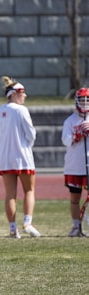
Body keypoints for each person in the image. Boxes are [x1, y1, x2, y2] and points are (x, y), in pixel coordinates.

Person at [0, 76, 40, 238]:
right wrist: (25, 145)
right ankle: (27, 222)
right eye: (22, 92)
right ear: (14, 93)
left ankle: (13, 228)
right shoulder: (21, 110)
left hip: (5, 158)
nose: (25, 96)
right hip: (23, 156)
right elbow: (31, 134)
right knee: (29, 190)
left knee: (10, 194)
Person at [61, 88, 89, 237]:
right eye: (82, 100)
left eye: (87, 100)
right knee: (74, 198)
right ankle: (76, 225)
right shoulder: (70, 120)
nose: (84, 103)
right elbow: (65, 140)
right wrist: (77, 134)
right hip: (75, 165)